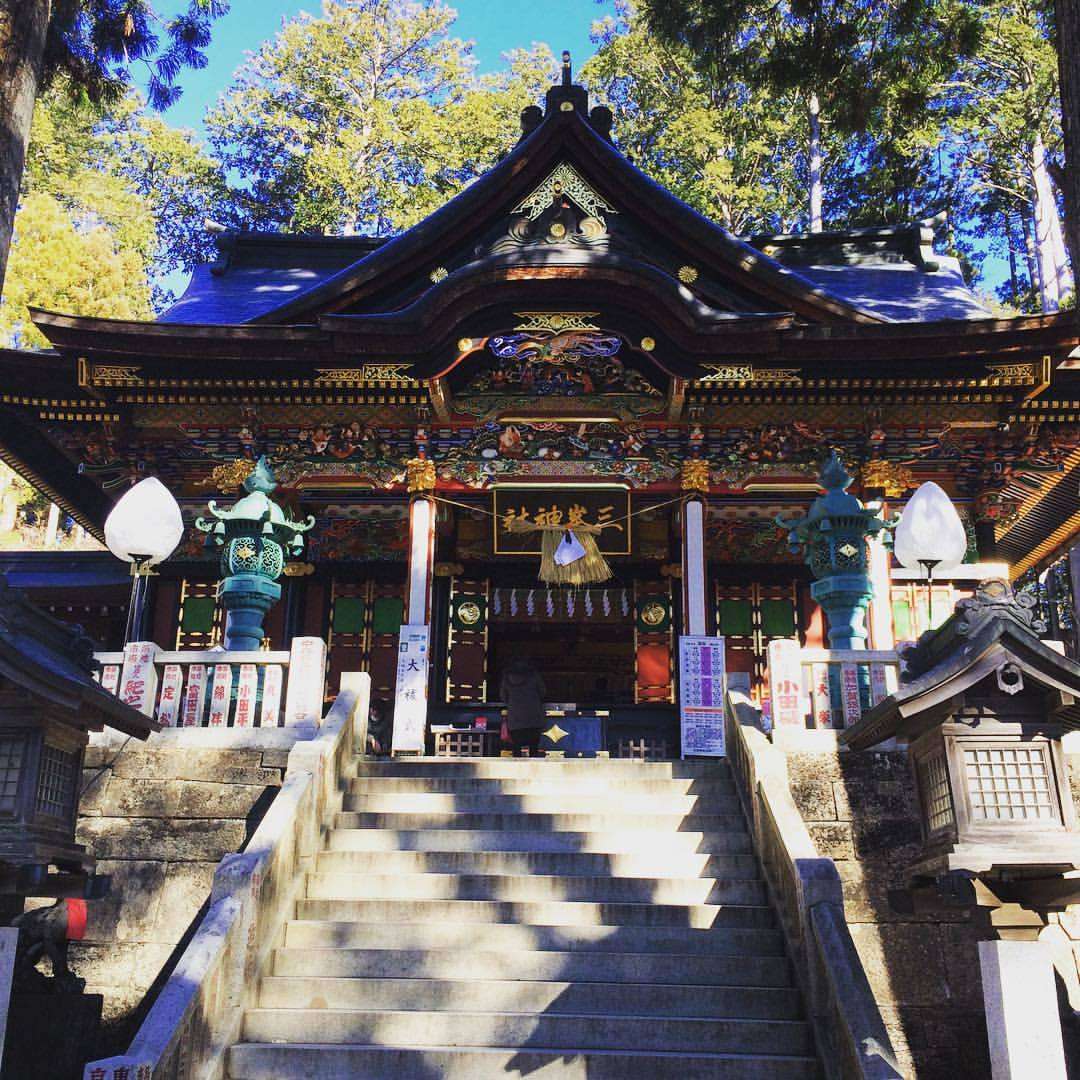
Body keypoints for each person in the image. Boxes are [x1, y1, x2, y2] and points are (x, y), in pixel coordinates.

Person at [500, 657, 546, 757]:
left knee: (516, 749)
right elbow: (542, 692)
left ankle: (517, 770)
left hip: (515, 720)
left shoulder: (507, 678)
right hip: (534, 718)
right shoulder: (534, 676)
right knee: (533, 750)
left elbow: (503, 696)